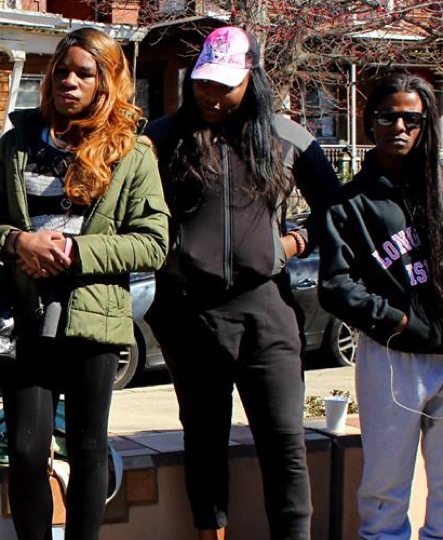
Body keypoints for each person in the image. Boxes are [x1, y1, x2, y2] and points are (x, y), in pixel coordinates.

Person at [0, 27, 169, 540]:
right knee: (27, 449)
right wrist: (18, 242)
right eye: (63, 70)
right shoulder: (16, 144)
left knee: (86, 447)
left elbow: (152, 243)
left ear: (108, 83)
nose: (70, 82)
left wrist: (74, 250)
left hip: (93, 318)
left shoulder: (132, 153)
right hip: (25, 314)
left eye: (85, 73)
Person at [142, 26, 340, 540]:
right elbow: (132, 212)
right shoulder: (161, 138)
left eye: (225, 84)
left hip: (268, 310)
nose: (212, 94)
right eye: (204, 82)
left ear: (251, 79)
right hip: (191, 312)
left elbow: (337, 211)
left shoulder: (286, 136)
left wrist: (292, 244)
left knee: (283, 440)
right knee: (204, 439)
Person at [318, 72, 443, 540]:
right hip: (393, 358)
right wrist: (398, 321)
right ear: (369, 122)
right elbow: (335, 286)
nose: (400, 127)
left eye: (412, 118)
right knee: (386, 489)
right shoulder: (349, 204)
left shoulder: (438, 187)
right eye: (388, 116)